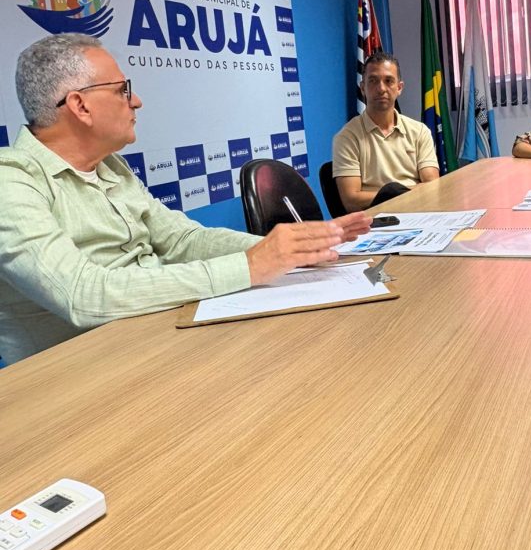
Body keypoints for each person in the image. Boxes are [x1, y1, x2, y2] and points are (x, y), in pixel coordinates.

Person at [0, 35, 370, 365]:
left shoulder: (112, 166)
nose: (136, 101)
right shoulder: (11, 182)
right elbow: (84, 295)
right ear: (80, 106)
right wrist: (250, 266)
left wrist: (291, 251)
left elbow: (182, 240)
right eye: (122, 90)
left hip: (156, 341)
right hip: (78, 374)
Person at [332, 51, 440, 212]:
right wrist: (400, 193)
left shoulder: (419, 132)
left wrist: (396, 194)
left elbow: (432, 187)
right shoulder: (347, 137)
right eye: (373, 81)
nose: (381, 88)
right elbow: (351, 201)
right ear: (363, 88)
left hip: (419, 213)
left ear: (399, 88)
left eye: (388, 81)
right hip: (376, 219)